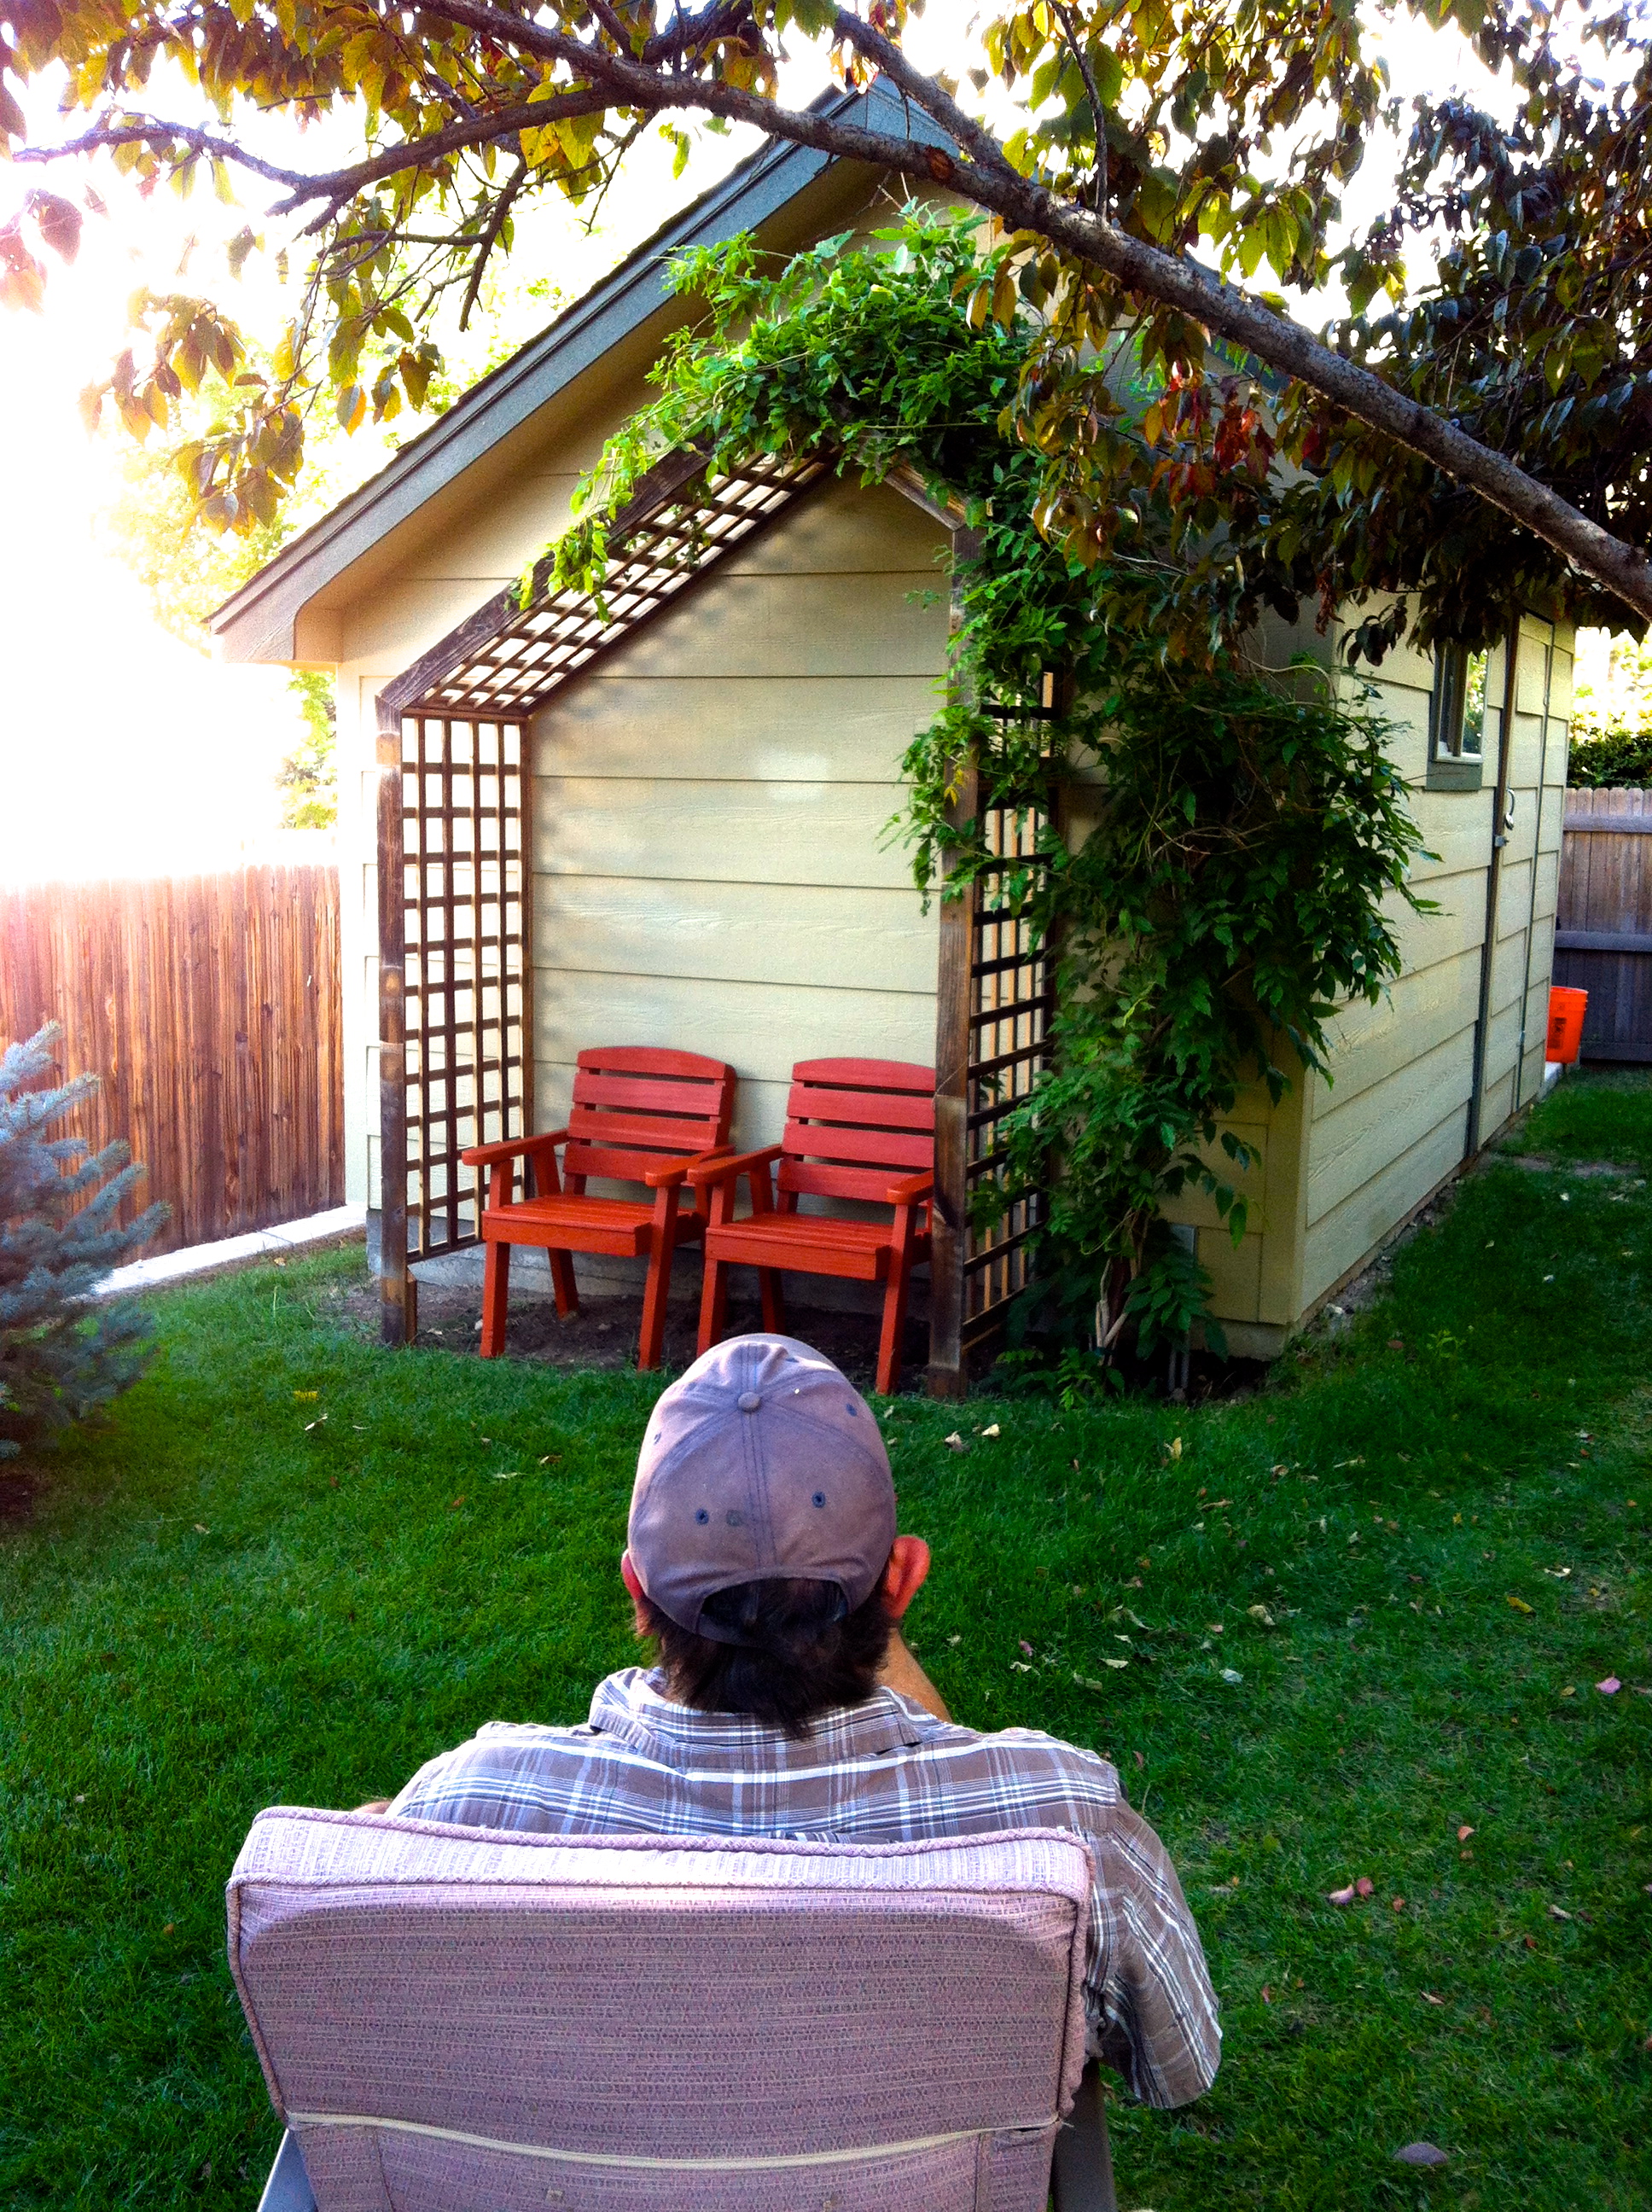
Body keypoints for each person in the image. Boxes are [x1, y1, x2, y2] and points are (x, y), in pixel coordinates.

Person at [385, 1332, 1220, 2111]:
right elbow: (1177, 2065)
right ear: (901, 1580)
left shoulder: (459, 1818)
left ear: (637, 1592)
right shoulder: (1067, 1837)